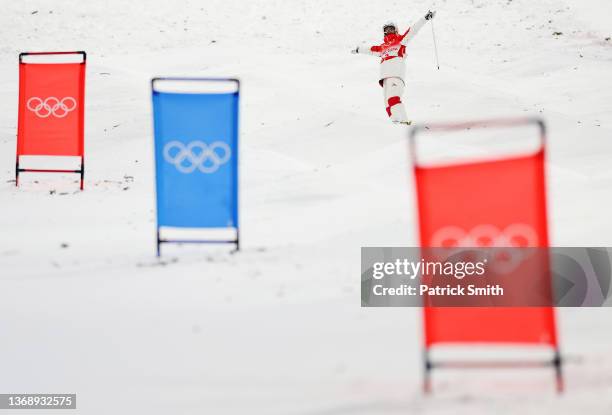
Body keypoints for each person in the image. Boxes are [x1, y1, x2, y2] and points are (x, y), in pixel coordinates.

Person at [351, 11, 436, 125]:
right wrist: (358, 50)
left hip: (396, 74)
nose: (388, 31)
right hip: (385, 79)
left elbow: (413, 30)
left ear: (395, 30)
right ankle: (398, 124)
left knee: (393, 99)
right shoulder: (382, 48)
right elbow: (370, 50)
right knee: (387, 104)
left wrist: (425, 18)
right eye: (386, 29)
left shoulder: (400, 40)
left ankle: (402, 122)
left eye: (391, 29)